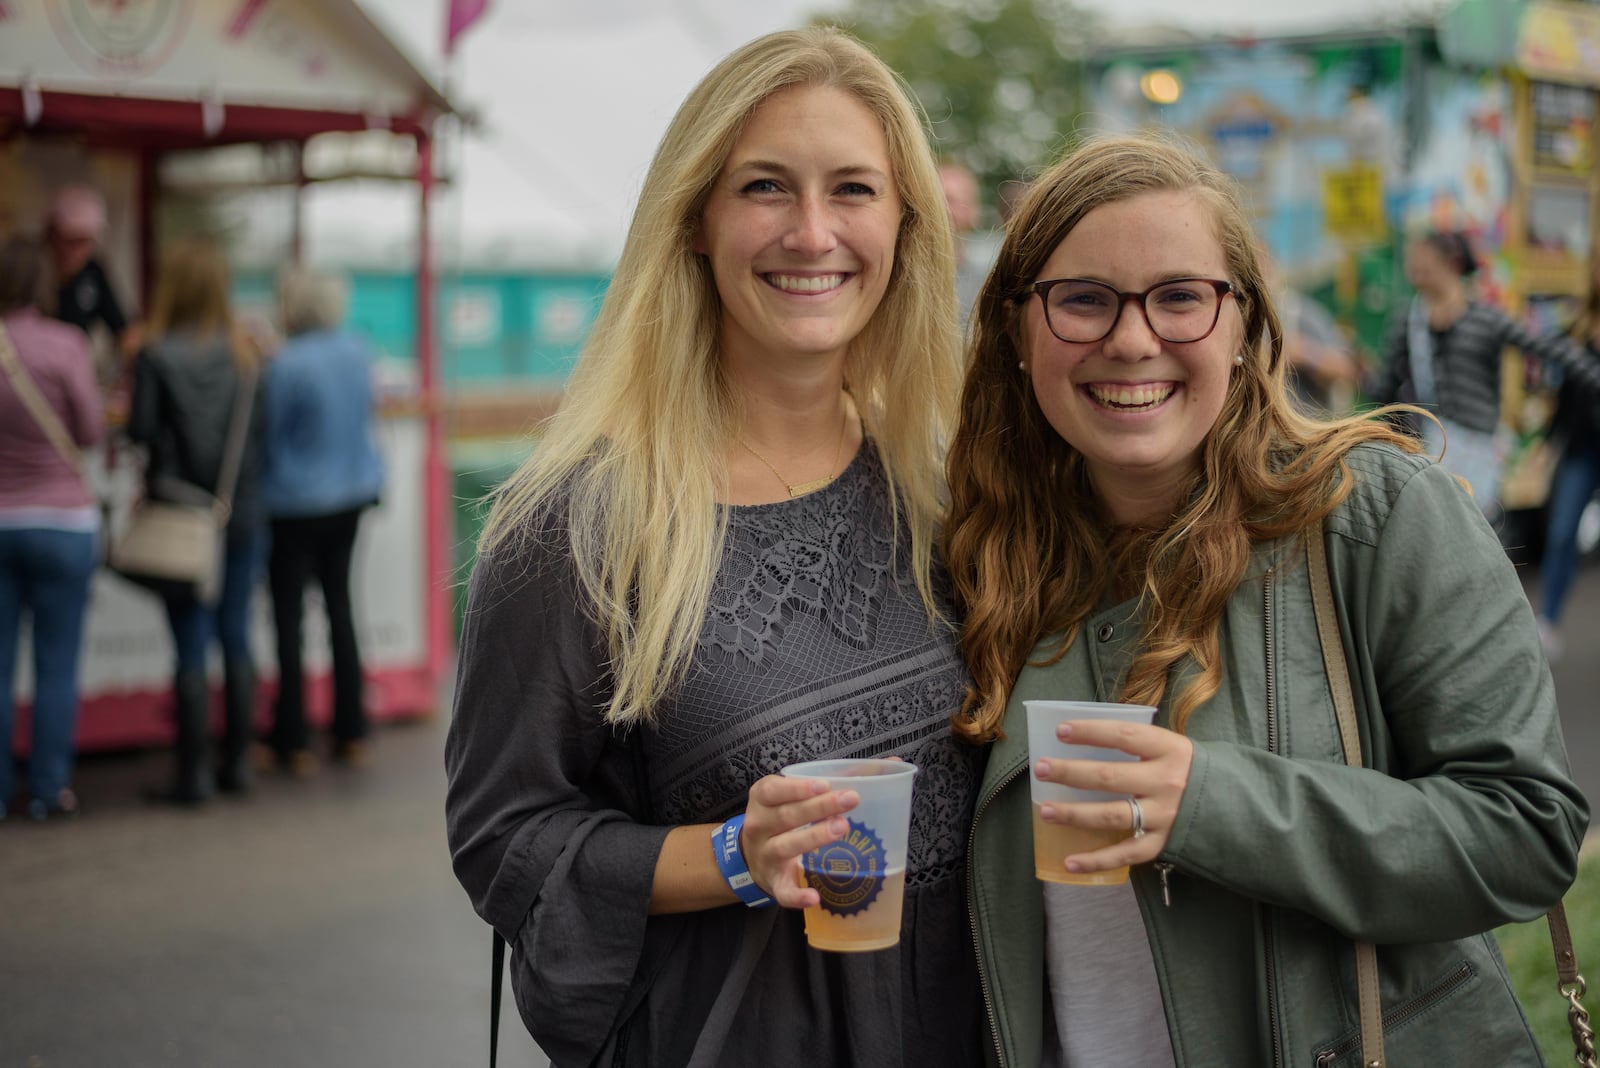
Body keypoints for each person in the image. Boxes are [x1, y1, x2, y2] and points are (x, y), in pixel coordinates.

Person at [942, 135, 1588, 1066]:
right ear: (1016, 331)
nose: (1132, 338)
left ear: (1244, 326)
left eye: (1180, 297)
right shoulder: (985, 556)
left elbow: (1526, 830)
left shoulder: (1377, 514)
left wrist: (1209, 802)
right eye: (1082, 299)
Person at [445, 27, 983, 1067]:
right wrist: (733, 857)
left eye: (854, 191)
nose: (812, 231)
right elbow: (503, 839)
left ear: (907, 224)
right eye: (766, 187)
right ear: (694, 218)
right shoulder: (579, 523)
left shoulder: (947, 489)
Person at [126, 237, 267, 805]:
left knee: (190, 641)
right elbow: (262, 438)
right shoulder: (249, 358)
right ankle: (238, 764)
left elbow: (139, 432)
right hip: (241, 515)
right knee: (236, 634)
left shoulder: (155, 354)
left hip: (181, 515)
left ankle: (194, 776)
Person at [1368, 229, 1600, 521]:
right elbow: (1384, 389)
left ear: (1450, 263)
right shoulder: (1407, 320)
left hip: (1477, 449)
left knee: (1479, 533)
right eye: (1413, 263)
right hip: (1427, 452)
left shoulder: (1486, 318)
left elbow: (1546, 347)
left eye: (1423, 261)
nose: (1415, 269)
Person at [257, 265, 384, 775]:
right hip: (351, 496)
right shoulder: (358, 352)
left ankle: (292, 739)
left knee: (289, 619)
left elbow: (269, 436)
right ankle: (350, 730)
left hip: (293, 502)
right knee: (341, 608)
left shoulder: (284, 365)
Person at [0, 238, 104, 822]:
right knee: (57, 663)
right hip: (63, 523)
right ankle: (48, 789)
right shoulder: (66, 344)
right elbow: (89, 429)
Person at [1536, 249, 1600, 661]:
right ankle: (1548, 619)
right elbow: (1565, 396)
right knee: (1561, 532)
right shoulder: (1578, 327)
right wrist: (1548, 442)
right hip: (1581, 446)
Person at [939, 159, 996, 325]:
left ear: (974, 211)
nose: (941, 207)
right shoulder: (901, 275)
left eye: (950, 199)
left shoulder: (989, 281)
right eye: (933, 197)